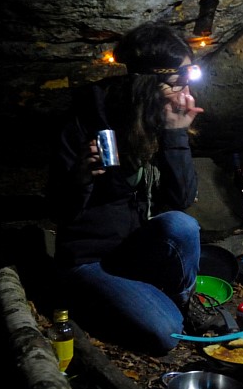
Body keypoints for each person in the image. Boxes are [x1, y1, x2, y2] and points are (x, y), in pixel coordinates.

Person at [46, 22, 205, 354]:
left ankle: (174, 303)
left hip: (133, 248)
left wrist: (176, 135)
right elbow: (59, 212)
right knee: (168, 335)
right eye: (179, 82)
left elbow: (181, 201)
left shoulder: (158, 116)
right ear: (150, 83)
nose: (185, 92)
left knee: (182, 225)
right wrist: (81, 179)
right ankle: (97, 301)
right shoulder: (85, 122)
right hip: (90, 260)